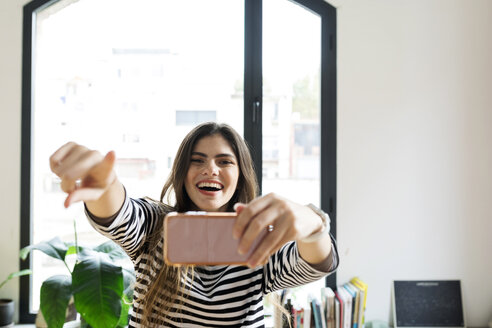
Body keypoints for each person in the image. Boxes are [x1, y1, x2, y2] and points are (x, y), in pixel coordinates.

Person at [49, 122, 339, 327]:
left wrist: (313, 224)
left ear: (240, 175)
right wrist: (105, 183)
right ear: (182, 173)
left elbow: (317, 261)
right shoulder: (155, 227)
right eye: (197, 160)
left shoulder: (259, 244)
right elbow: (118, 212)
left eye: (224, 162)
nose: (210, 168)